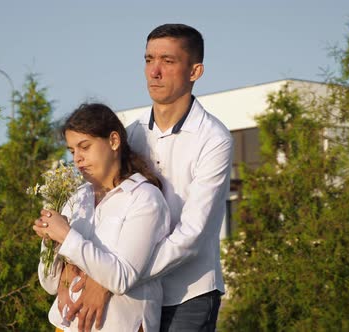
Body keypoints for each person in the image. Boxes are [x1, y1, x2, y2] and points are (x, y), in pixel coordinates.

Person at [58, 24, 233, 332]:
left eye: (168, 61)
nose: (154, 71)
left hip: (189, 294)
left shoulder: (214, 138)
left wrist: (113, 278)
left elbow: (190, 236)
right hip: (133, 298)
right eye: (149, 59)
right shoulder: (134, 132)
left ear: (195, 71)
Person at [33, 103, 171, 331]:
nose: (77, 159)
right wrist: (51, 243)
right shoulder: (75, 199)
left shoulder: (144, 198)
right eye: (72, 151)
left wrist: (66, 237)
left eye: (84, 147)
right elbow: (49, 285)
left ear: (114, 141)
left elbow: (121, 277)